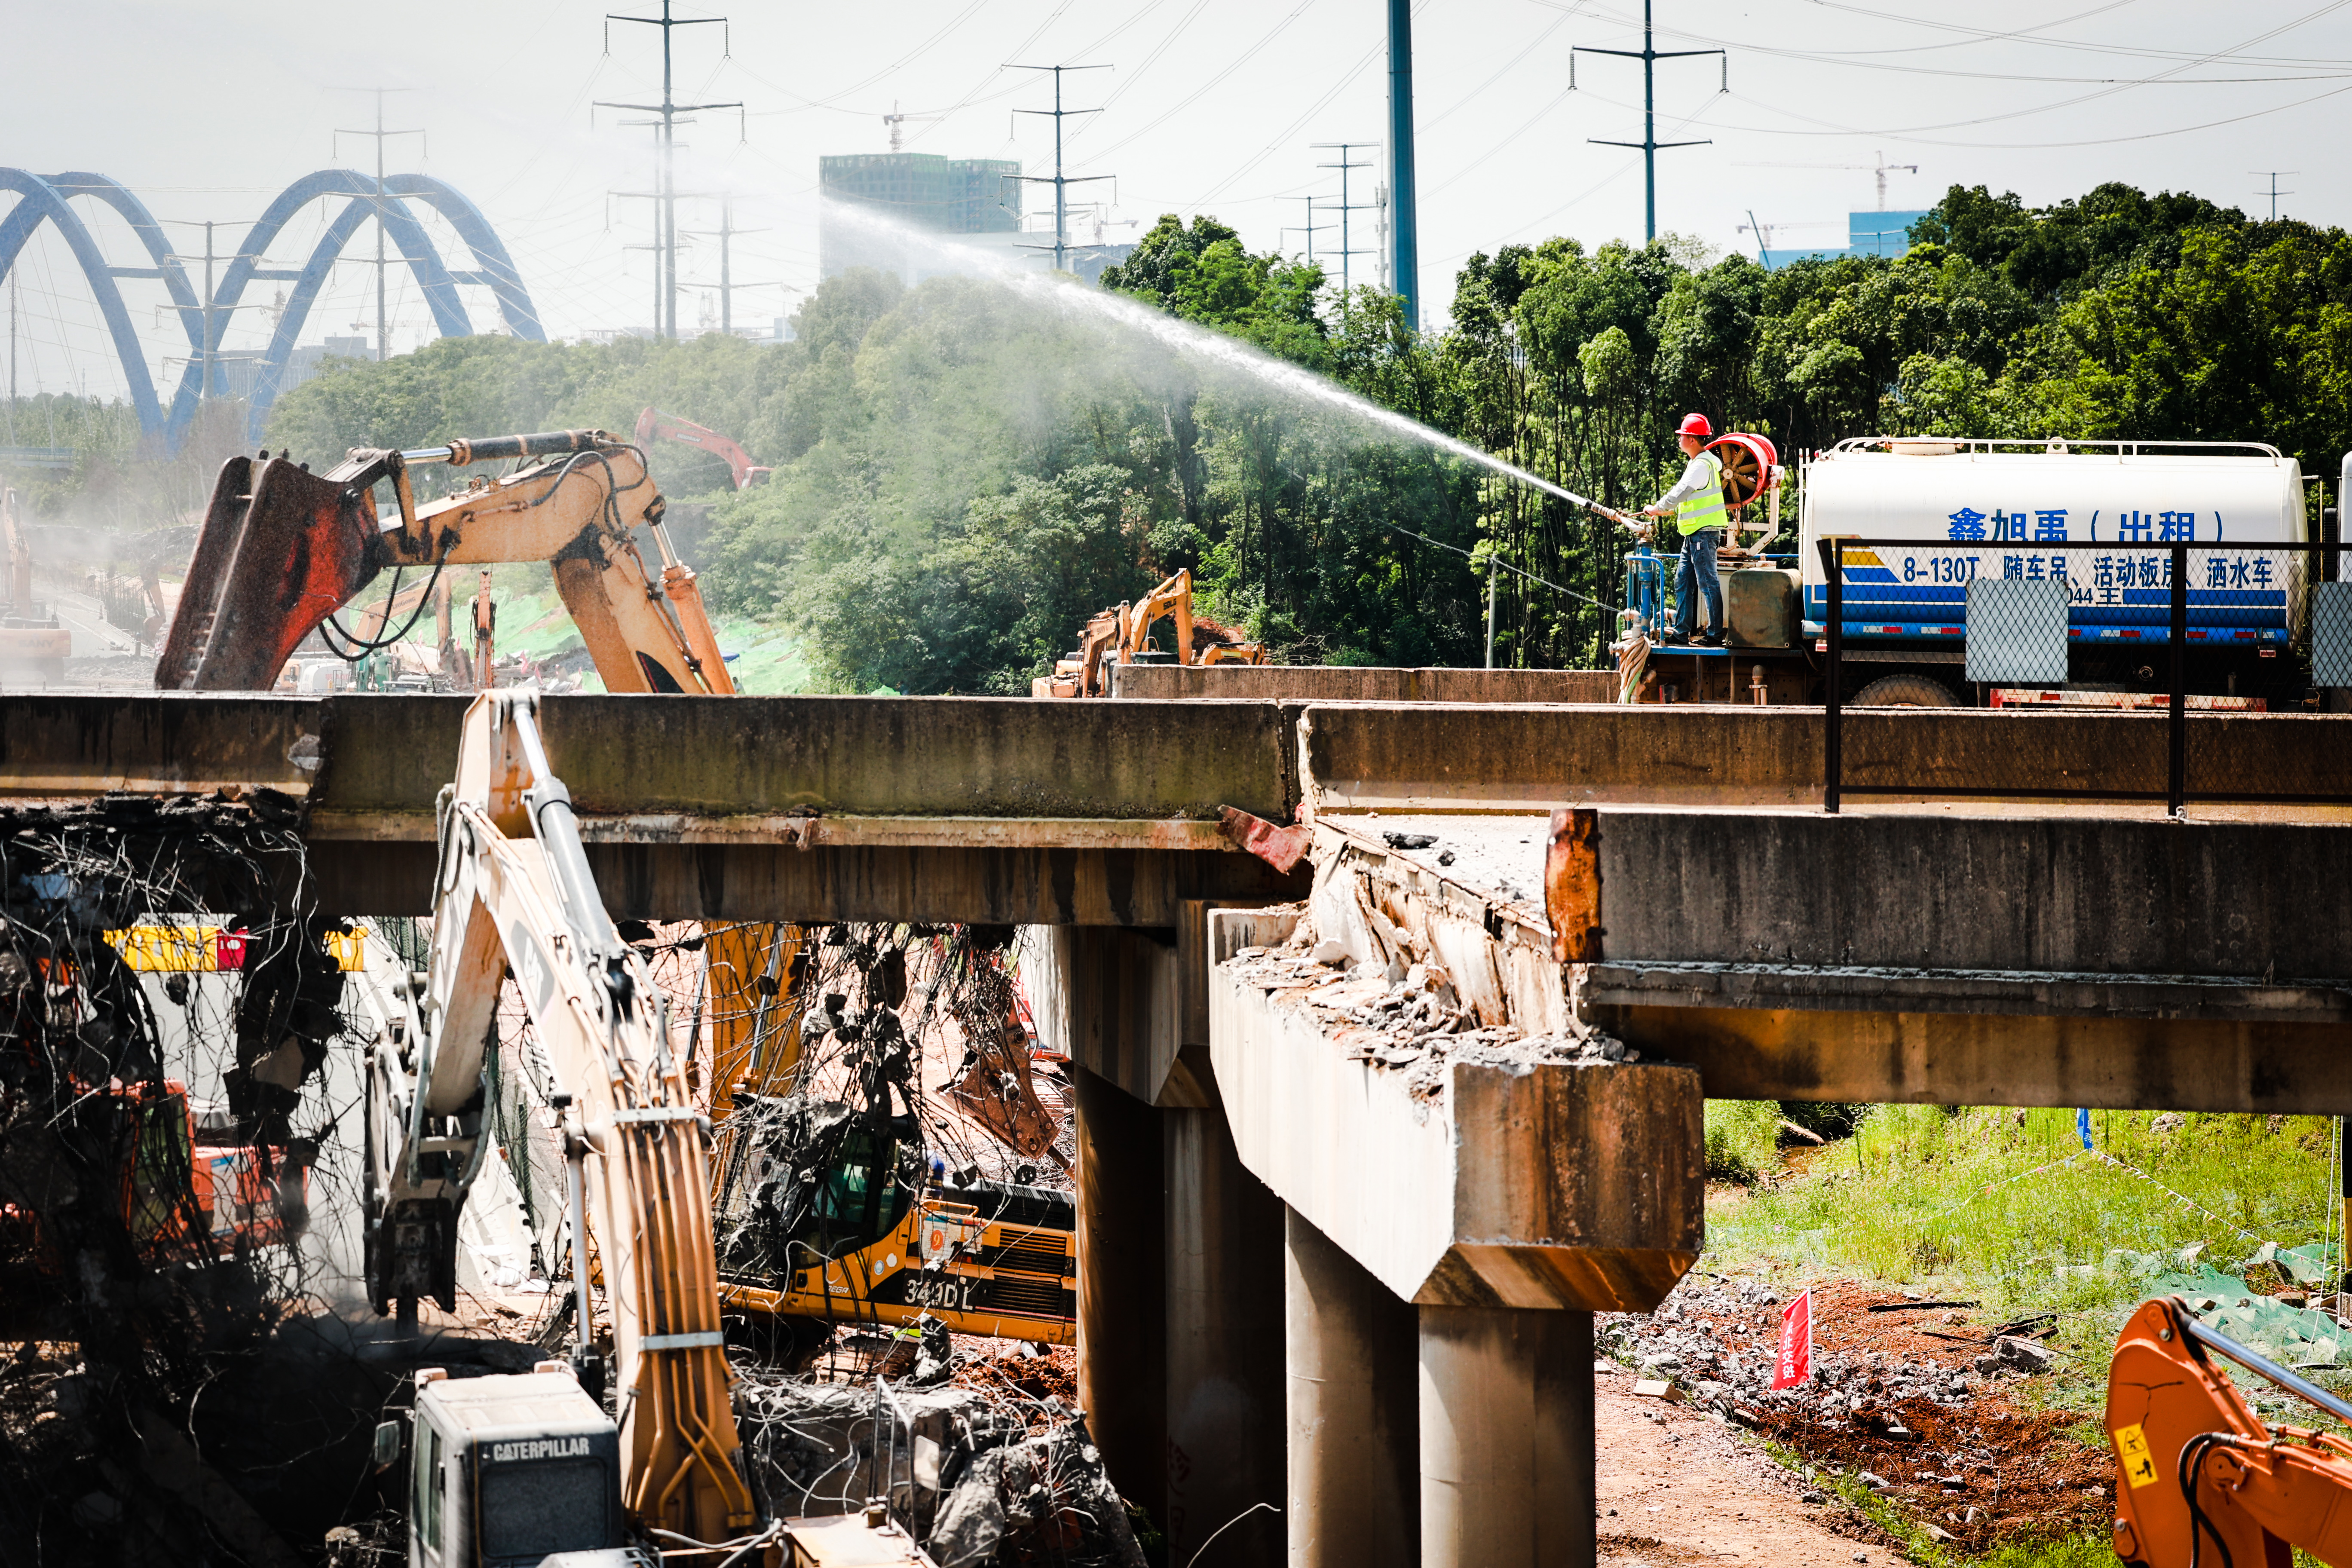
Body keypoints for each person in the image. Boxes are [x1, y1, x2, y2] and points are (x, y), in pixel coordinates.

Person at [1644, 412, 1730, 646]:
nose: (1679, 439)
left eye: (1682, 435)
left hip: (1702, 533)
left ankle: (1714, 635)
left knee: (1708, 583)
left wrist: (1657, 508)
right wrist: (1662, 511)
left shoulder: (1701, 465)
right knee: (1683, 581)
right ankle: (1682, 633)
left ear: (1692, 439)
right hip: (1694, 534)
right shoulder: (1703, 463)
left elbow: (1680, 493)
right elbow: (1688, 501)